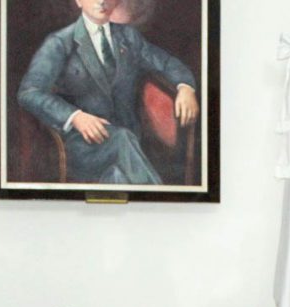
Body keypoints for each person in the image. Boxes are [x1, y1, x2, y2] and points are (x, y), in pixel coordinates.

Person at [17, 0, 199, 185]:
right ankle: (162, 204)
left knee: (118, 178)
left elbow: (167, 63)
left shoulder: (128, 37)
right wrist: (76, 116)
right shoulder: (59, 43)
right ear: (79, 1)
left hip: (132, 146)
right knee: (121, 141)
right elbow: (30, 92)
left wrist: (185, 87)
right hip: (83, 145)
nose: (102, 1)